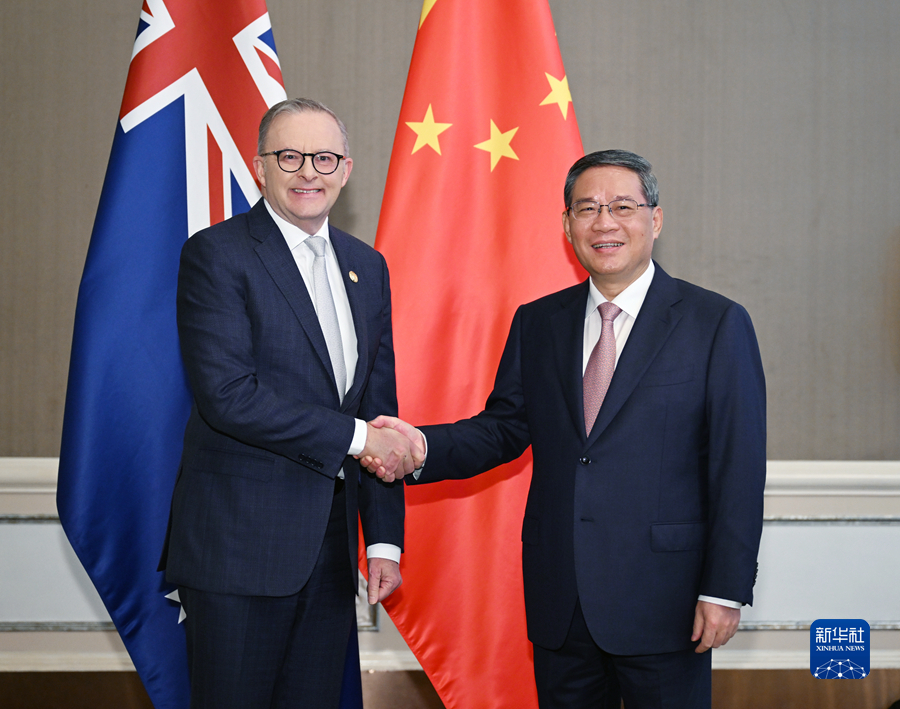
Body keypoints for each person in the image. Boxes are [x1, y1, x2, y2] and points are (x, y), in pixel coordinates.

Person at [365, 150, 766, 709]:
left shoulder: (715, 323)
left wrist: (724, 588)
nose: (604, 222)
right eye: (587, 208)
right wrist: (419, 447)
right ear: (566, 226)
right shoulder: (539, 321)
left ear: (655, 219)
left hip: (668, 603)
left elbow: (738, 469)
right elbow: (503, 429)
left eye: (622, 206)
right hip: (562, 600)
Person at [160, 98, 419, 709]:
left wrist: (382, 539)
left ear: (347, 169)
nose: (309, 172)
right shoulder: (217, 254)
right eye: (290, 157)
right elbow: (228, 396)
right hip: (236, 550)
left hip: (328, 554)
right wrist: (358, 440)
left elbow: (377, 404)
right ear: (260, 167)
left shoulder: (367, 266)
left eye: (324, 158)